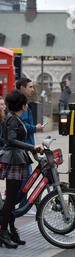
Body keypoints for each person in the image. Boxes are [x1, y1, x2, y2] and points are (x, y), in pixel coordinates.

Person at [0, 90, 43, 248]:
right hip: (13, 160)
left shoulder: (14, 118)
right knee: (11, 199)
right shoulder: (12, 119)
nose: (27, 105)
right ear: (22, 105)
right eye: (26, 103)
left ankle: (10, 230)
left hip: (17, 159)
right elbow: (10, 140)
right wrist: (32, 147)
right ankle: (4, 232)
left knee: (14, 197)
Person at [16, 78, 44, 209]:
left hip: (27, 146)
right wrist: (35, 128)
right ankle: (19, 206)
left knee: (26, 178)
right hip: (23, 147)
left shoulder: (24, 102)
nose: (33, 89)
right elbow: (20, 125)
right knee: (26, 178)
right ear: (22, 87)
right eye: (30, 87)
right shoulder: (19, 103)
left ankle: (21, 205)